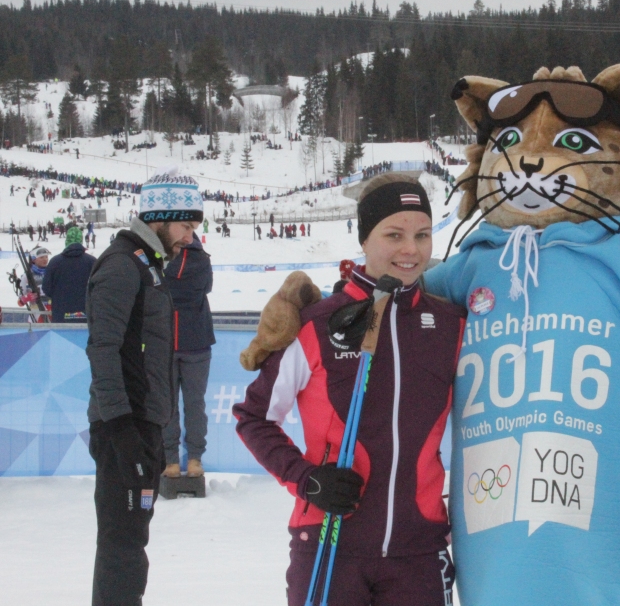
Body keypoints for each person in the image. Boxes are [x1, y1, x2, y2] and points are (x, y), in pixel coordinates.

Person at [234, 174, 464, 606]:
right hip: (329, 542)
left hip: (419, 550)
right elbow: (254, 418)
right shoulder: (320, 324)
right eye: (393, 235)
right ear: (364, 238)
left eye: (422, 235)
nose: (410, 250)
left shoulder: (450, 325)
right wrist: (307, 480)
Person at [85, 169, 202, 605]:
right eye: (186, 226)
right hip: (125, 429)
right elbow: (103, 350)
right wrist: (122, 431)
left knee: (131, 545)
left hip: (143, 424)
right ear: (160, 217)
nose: (190, 237)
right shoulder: (121, 265)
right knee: (123, 547)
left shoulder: (146, 266)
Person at [162, 236, 216, 479]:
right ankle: (195, 459)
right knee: (196, 404)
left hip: (166, 341)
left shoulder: (162, 261)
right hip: (197, 340)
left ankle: (171, 461)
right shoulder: (203, 260)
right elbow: (207, 288)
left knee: (168, 405)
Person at [42, 226, 96, 322]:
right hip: (87, 316)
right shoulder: (92, 262)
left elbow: (46, 288)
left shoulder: (55, 262)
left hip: (61, 314)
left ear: (66, 240)